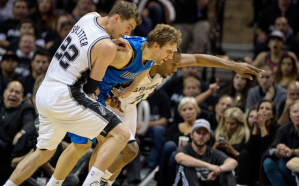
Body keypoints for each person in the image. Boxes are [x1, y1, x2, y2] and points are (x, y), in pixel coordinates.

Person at [3, 2, 142, 186]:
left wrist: (108, 46)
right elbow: (92, 87)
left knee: (43, 152)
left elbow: (88, 46)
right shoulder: (106, 46)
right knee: (121, 134)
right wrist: (110, 52)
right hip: (65, 95)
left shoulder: (89, 17)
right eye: (128, 27)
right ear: (117, 18)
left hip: (46, 91)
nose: (128, 34)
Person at [174, 119, 238, 186]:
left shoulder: (212, 152)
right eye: (198, 133)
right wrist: (209, 166)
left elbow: (233, 162)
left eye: (204, 133)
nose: (201, 136)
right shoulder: (185, 149)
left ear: (209, 136)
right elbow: (180, 158)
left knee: (227, 169)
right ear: (191, 135)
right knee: (185, 165)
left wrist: (218, 170)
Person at [0, 81, 36, 185]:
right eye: (11, 91)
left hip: (8, 151)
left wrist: (21, 132)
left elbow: (30, 123)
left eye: (17, 92)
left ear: (22, 96)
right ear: (5, 92)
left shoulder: (25, 108)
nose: (13, 94)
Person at [263, 100, 299, 186]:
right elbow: (269, 151)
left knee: (283, 165)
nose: (298, 115)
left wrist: (292, 151)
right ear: (290, 115)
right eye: (295, 112)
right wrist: (278, 151)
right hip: (289, 171)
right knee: (268, 162)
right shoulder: (284, 130)